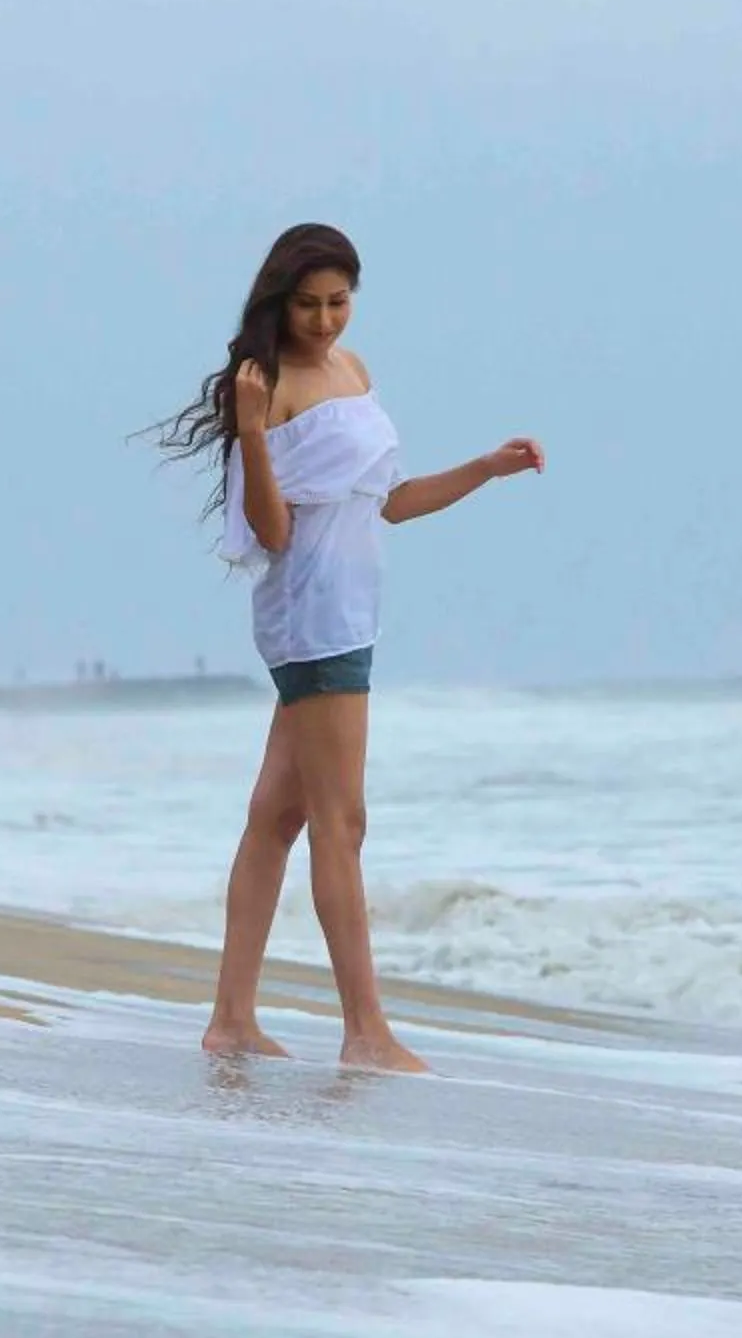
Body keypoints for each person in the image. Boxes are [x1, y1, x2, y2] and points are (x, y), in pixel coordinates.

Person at [155, 223, 543, 1070]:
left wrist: (485, 468)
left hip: (352, 611)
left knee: (279, 815)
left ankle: (231, 1021)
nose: (326, 320)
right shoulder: (265, 386)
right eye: (308, 305)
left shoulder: (353, 370)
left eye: (338, 302)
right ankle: (365, 1032)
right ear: (278, 301)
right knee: (342, 821)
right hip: (312, 617)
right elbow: (272, 527)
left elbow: (389, 503)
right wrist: (253, 430)